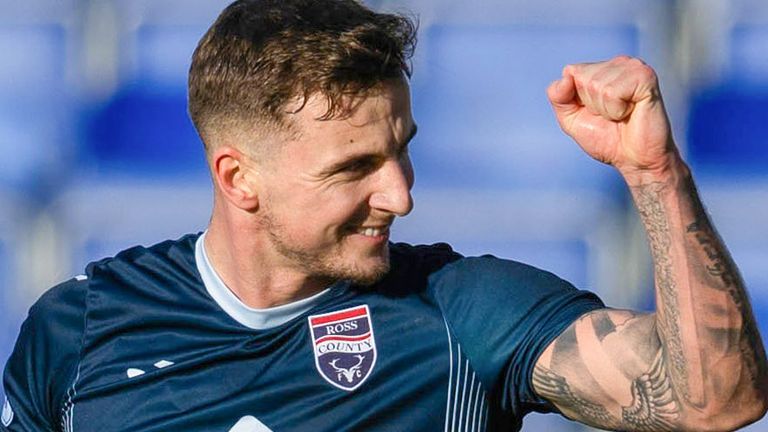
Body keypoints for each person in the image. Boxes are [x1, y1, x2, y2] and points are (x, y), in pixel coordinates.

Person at [2, 0, 766, 430]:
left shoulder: (464, 311)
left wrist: (656, 175)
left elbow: (715, 402)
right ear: (239, 178)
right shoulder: (81, 329)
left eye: (401, 150)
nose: (400, 195)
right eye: (355, 168)